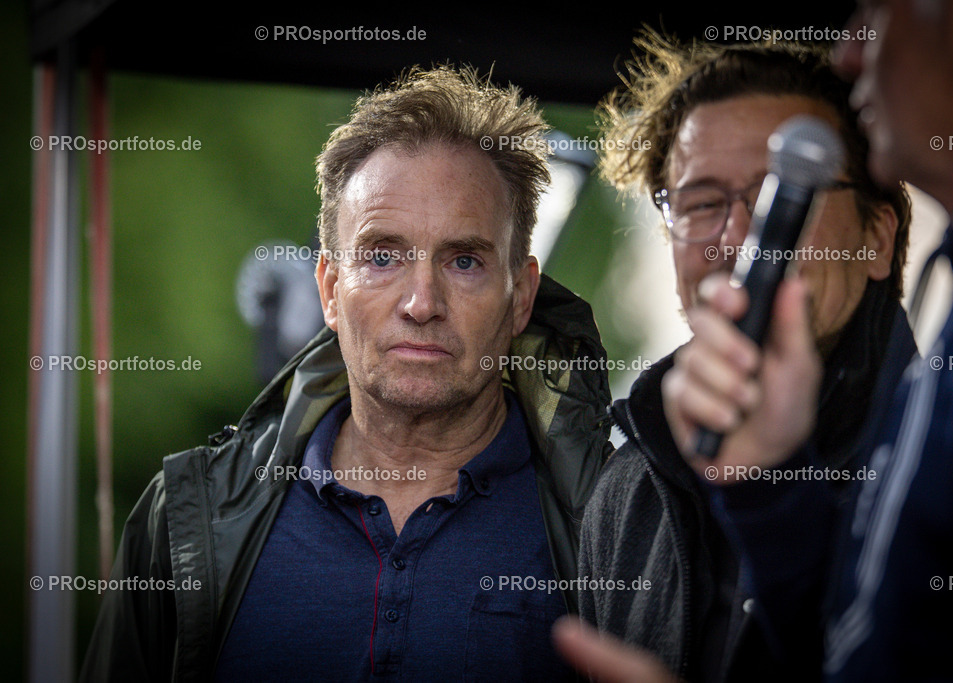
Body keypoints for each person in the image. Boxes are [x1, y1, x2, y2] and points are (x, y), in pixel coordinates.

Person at [80, 65, 613, 681]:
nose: (420, 302)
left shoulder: (618, 523)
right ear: (330, 290)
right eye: (382, 256)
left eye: (464, 261)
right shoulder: (186, 520)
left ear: (522, 296)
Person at [559, 0, 953, 679]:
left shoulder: (936, 424)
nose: (738, 239)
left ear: (877, 238)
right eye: (700, 203)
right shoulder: (625, 491)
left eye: (786, 194)